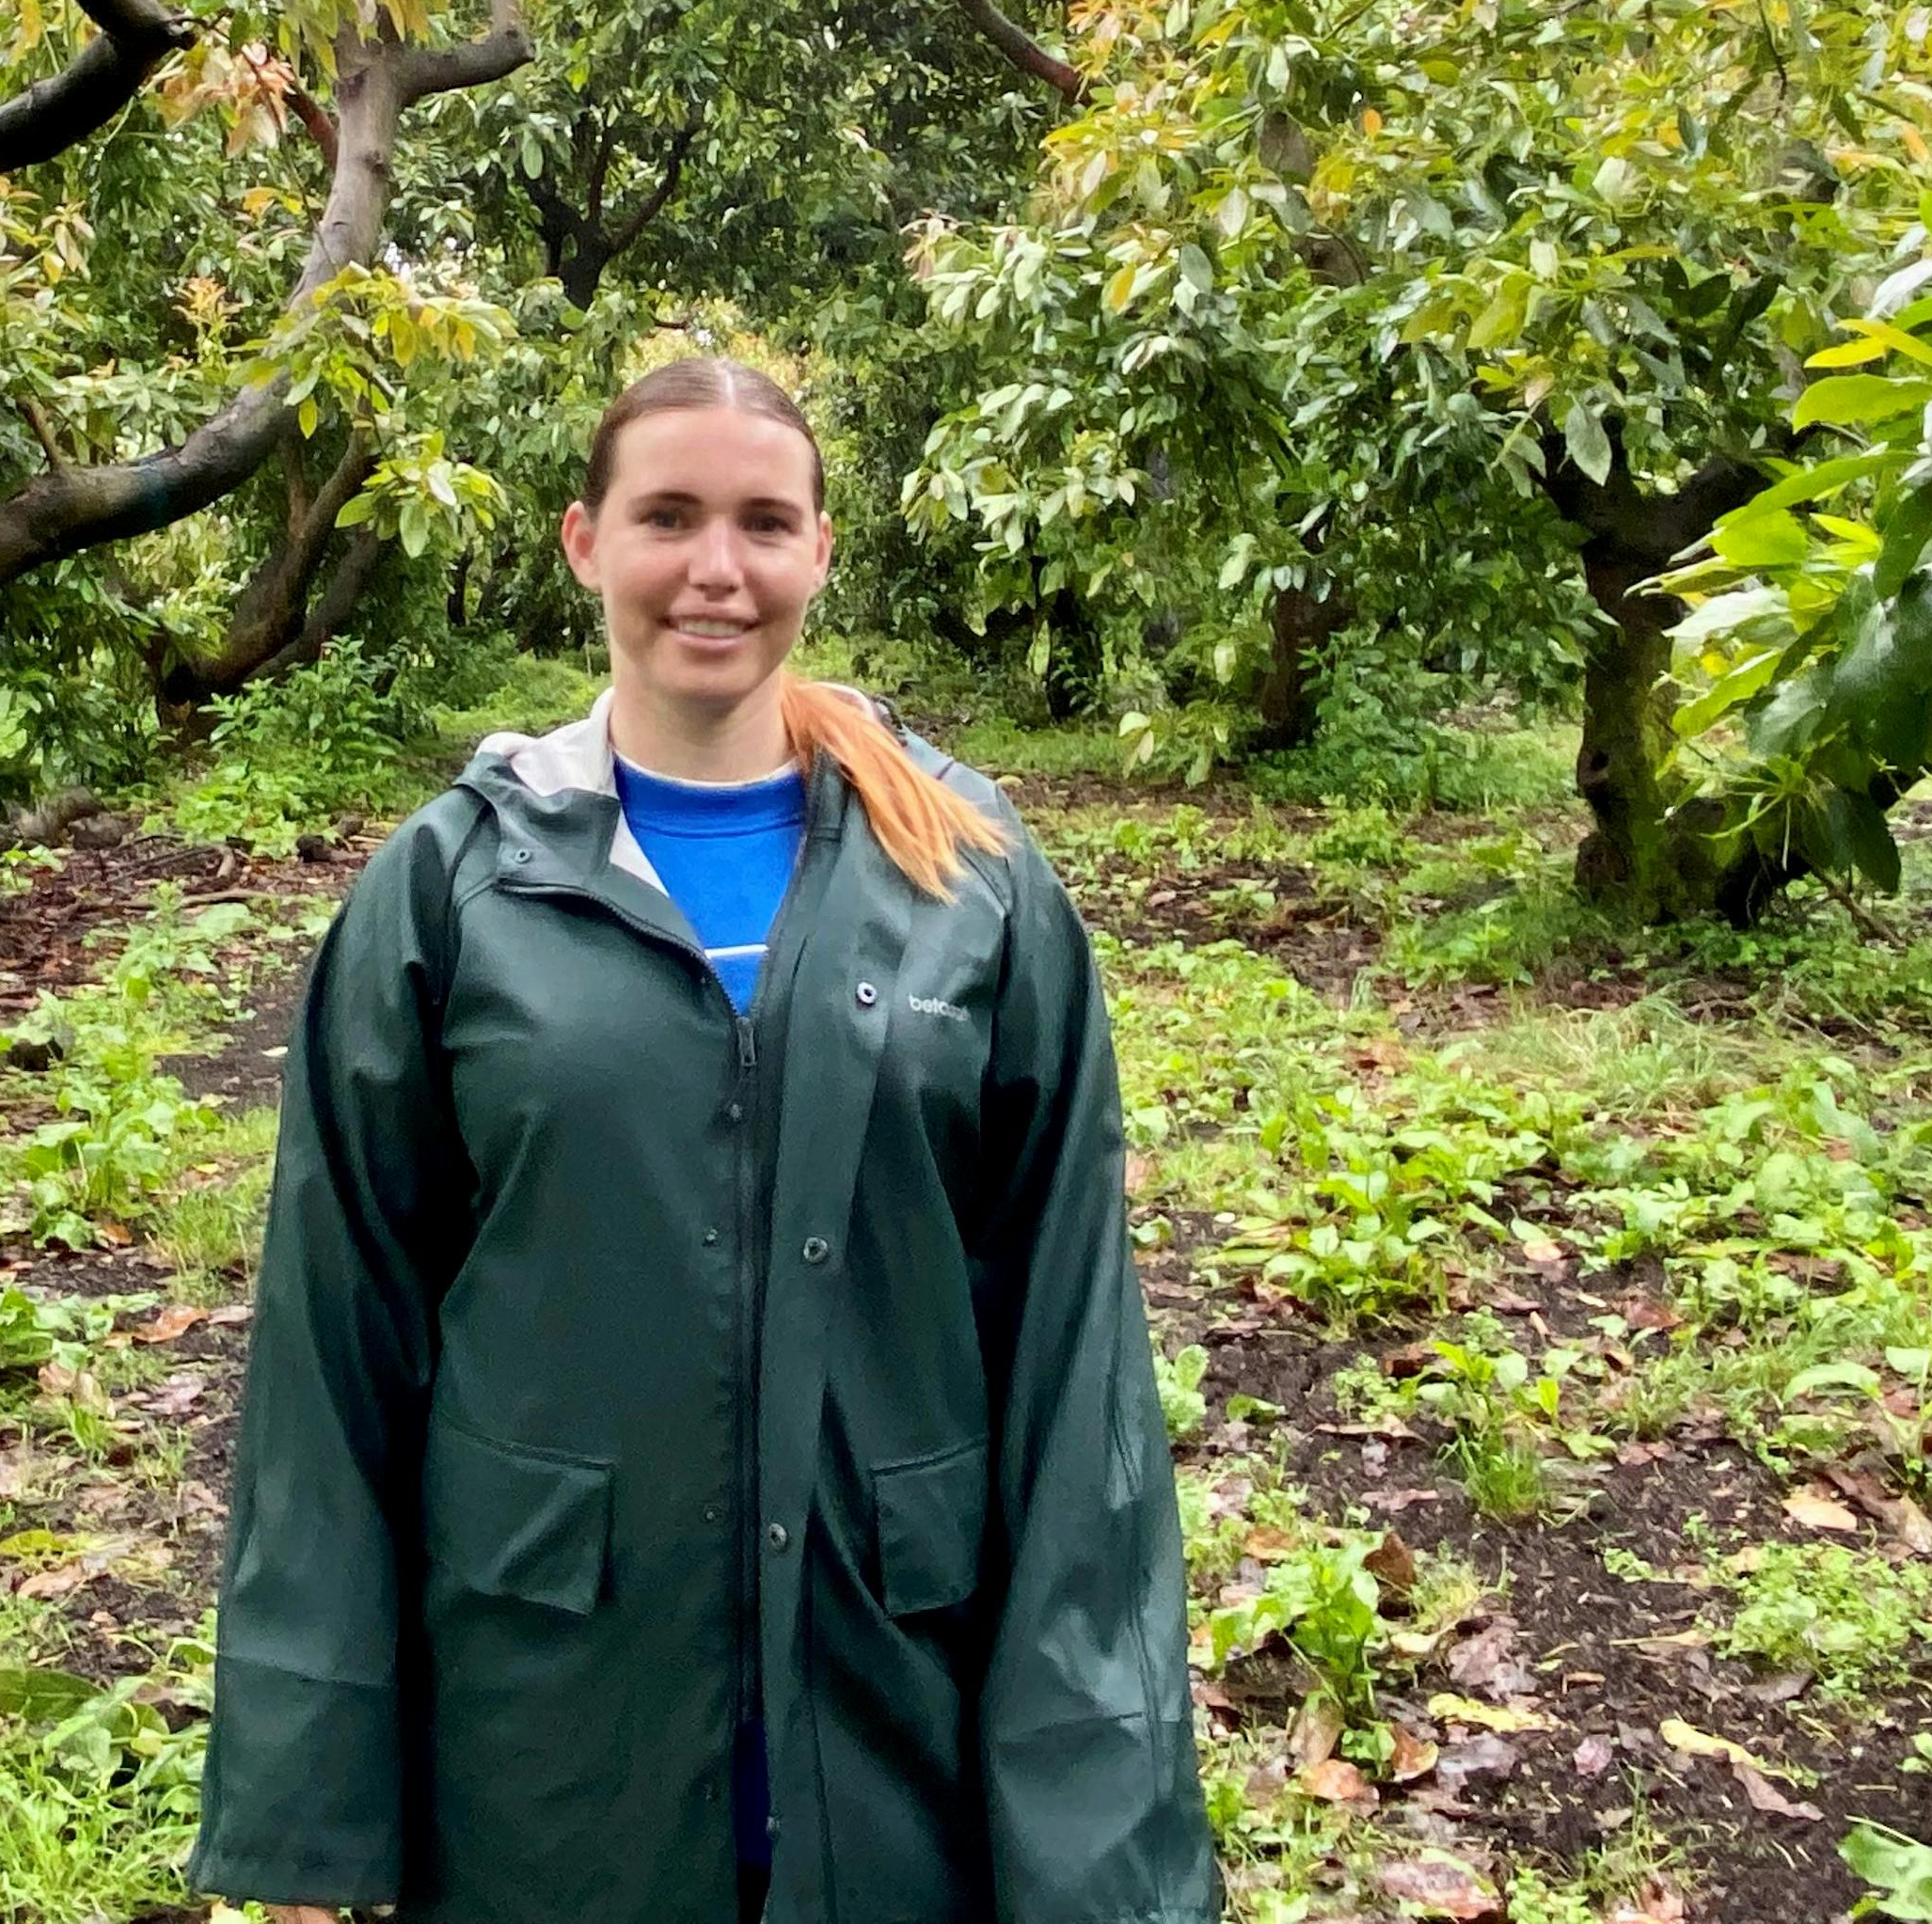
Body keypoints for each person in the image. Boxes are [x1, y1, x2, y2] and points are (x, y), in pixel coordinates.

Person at [187, 357, 1216, 1924]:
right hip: (551, 1722)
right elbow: (335, 1348)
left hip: (894, 1693)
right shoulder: (457, 887)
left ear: (818, 554)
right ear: (583, 540)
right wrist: (312, 1799)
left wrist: (1104, 1828)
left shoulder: (969, 881)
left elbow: (1076, 1362)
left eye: (763, 522)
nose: (715, 569)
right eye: (668, 515)